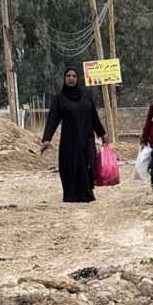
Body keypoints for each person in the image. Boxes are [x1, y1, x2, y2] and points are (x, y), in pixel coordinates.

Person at [40, 67, 109, 203]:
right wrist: (47, 139)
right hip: (69, 140)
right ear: (64, 79)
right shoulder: (59, 98)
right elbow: (53, 119)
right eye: (68, 76)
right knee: (72, 166)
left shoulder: (86, 95)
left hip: (87, 137)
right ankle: (73, 195)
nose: (71, 78)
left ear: (78, 79)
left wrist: (102, 133)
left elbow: (93, 115)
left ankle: (87, 191)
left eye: (74, 76)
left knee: (90, 163)